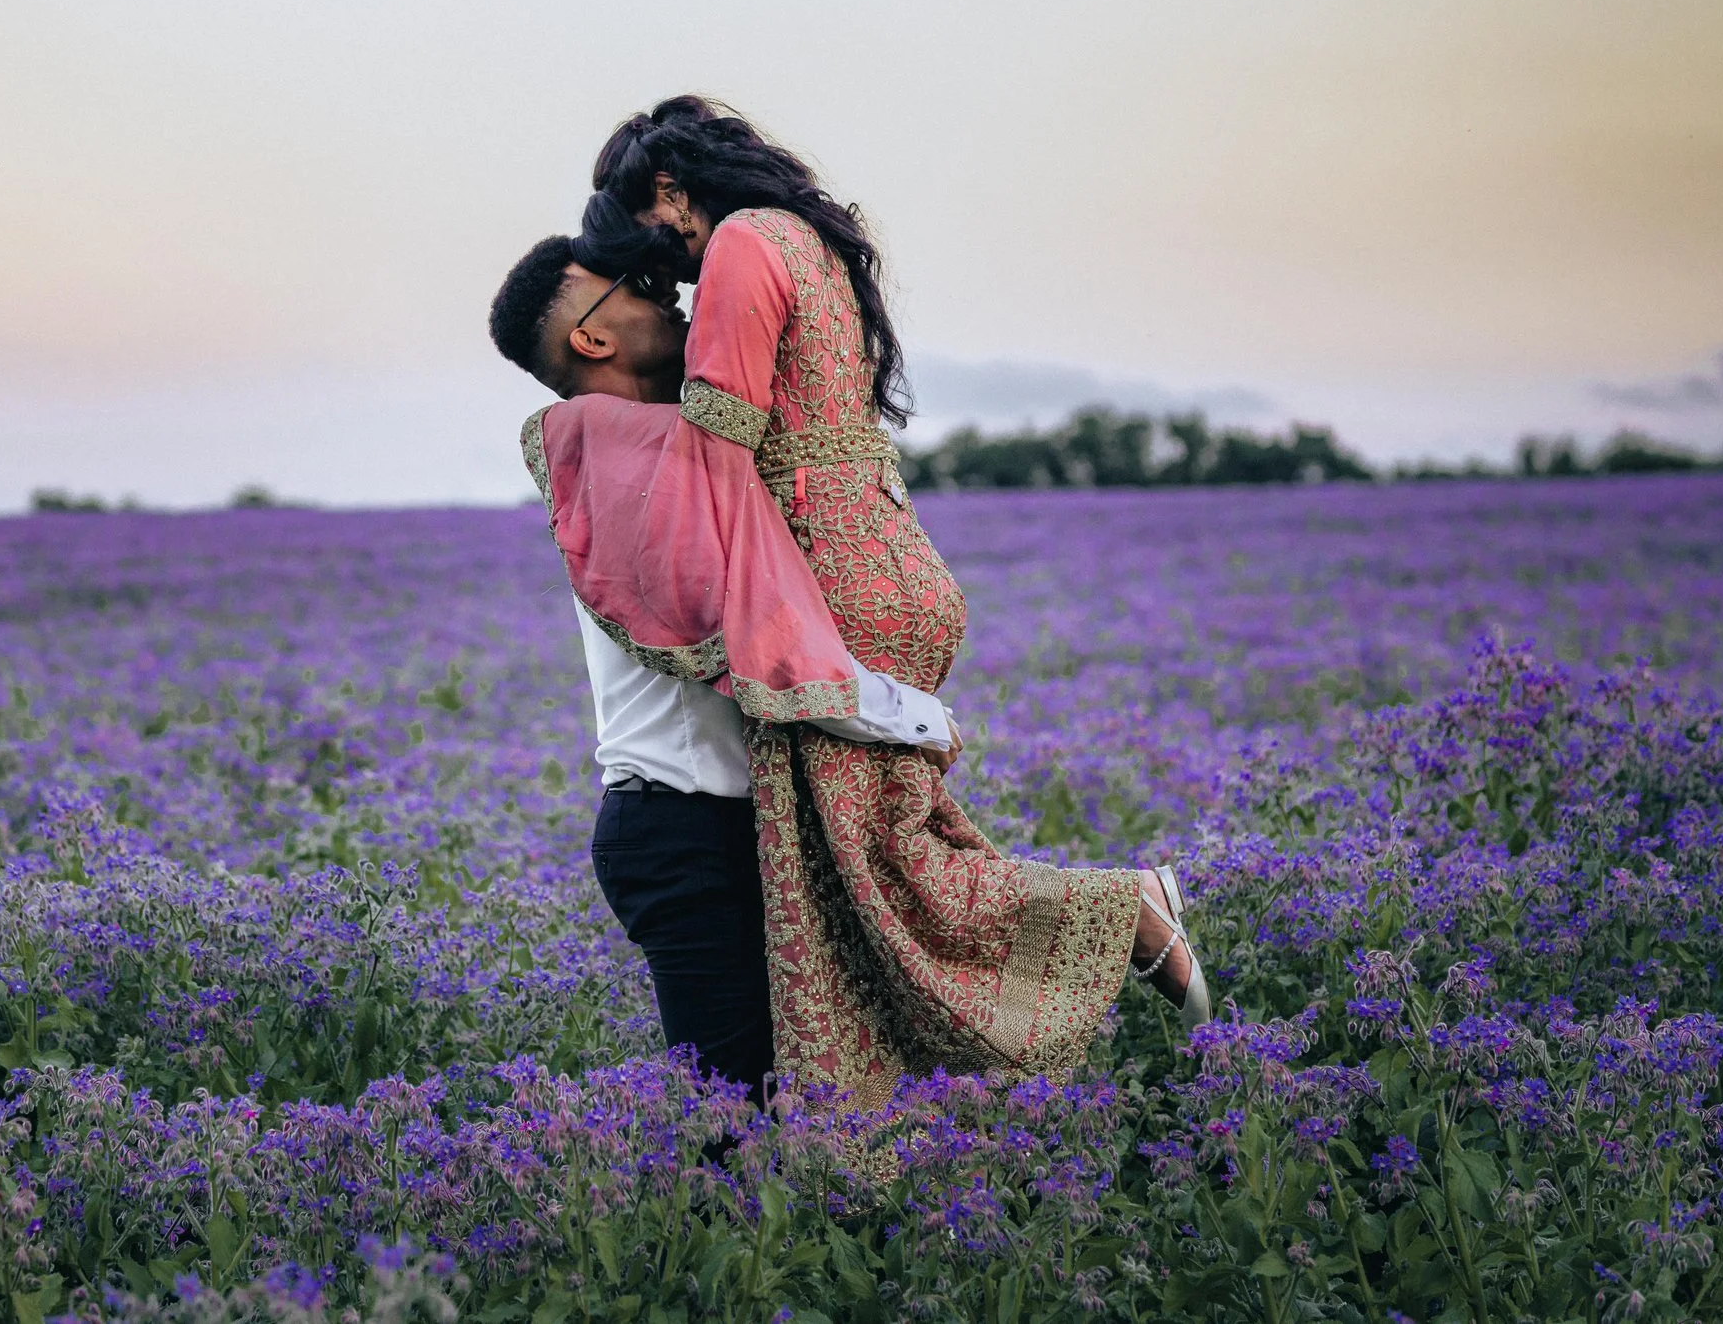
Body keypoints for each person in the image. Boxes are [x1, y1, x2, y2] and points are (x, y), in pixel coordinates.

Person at [574, 98, 1206, 1104]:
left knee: (868, 884)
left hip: (824, 577)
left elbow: (717, 440)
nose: (678, 288)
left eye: (659, 256)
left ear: (666, 194)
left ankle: (1120, 909)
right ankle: (880, 1134)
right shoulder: (811, 239)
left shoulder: (739, 241)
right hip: (890, 554)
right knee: (884, 853)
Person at [487, 236, 961, 1094]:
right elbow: (759, 643)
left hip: (733, 821)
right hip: (687, 830)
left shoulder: (671, 447)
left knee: (824, 1102)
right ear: (592, 340)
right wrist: (917, 715)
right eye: (635, 284)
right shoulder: (616, 451)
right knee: (734, 1127)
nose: (668, 290)